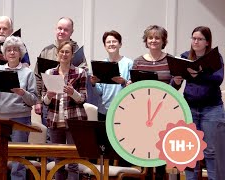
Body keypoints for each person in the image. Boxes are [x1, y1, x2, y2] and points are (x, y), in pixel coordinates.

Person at [172, 26, 224, 180]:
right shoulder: (185, 56)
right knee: (190, 150)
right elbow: (175, 83)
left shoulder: (215, 57)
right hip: (190, 108)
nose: (195, 41)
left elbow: (218, 78)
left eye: (199, 39)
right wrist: (175, 81)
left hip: (212, 109)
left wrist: (199, 74)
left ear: (207, 42)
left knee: (211, 151)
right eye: (193, 38)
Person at [0, 36, 37, 180]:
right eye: (9, 50)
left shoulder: (28, 73)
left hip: (20, 117)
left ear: (20, 53)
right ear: (4, 53)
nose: (12, 52)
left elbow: (33, 100)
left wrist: (22, 93)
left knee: (18, 157)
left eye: (15, 49)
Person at [42, 41, 87, 180]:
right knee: (58, 161)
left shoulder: (80, 72)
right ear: (57, 54)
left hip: (74, 120)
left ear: (72, 55)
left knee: (73, 161)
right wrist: (48, 96)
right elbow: (44, 101)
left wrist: (72, 93)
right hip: (55, 120)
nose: (64, 54)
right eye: (62, 52)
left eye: (67, 52)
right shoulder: (50, 73)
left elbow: (83, 99)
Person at [132, 25, 171, 180]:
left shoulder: (171, 60)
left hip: (164, 109)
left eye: (157, 38)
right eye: (150, 37)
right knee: (146, 149)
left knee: (161, 150)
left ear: (163, 41)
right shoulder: (138, 61)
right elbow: (134, 86)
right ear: (146, 41)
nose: (153, 40)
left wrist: (176, 82)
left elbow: (175, 85)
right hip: (144, 111)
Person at [35, 17, 87, 126]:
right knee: (50, 139)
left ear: (71, 32)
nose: (62, 32)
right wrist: (38, 101)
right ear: (55, 29)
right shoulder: (46, 51)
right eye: (59, 28)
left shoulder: (77, 51)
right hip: (51, 106)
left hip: (72, 107)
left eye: (66, 29)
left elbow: (84, 75)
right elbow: (38, 77)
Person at [90, 30, 133, 121]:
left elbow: (132, 89)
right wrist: (94, 84)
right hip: (104, 110)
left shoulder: (129, 63)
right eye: (108, 42)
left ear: (120, 44)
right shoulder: (101, 64)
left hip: (123, 109)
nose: (111, 44)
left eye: (114, 41)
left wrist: (124, 82)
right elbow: (99, 92)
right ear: (105, 46)